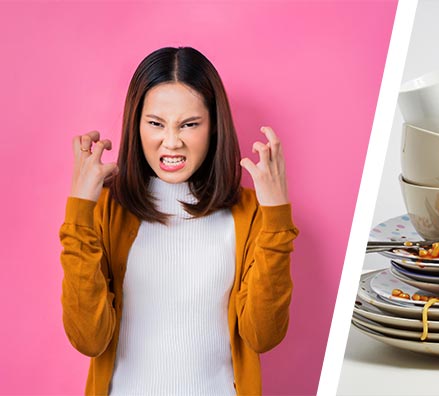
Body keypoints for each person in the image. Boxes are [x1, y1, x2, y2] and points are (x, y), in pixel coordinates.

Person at [59, 46, 298, 395]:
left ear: (214, 127)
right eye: (156, 123)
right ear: (136, 124)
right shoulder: (108, 208)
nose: (171, 142)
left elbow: (263, 335)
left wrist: (277, 215)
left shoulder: (249, 214)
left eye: (189, 124)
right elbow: (88, 338)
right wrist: (80, 211)